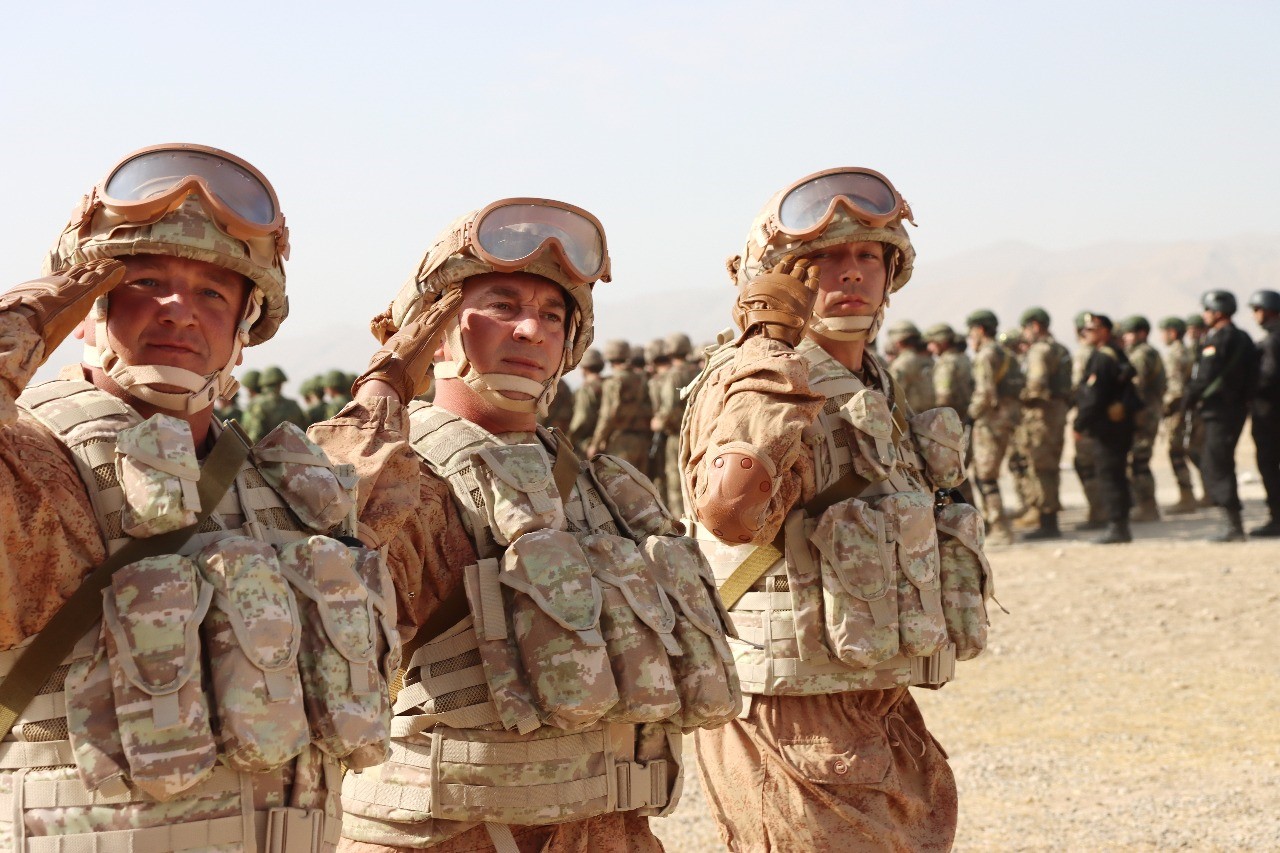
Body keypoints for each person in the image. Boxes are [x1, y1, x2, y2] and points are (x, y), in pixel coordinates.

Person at [311, 197, 738, 852]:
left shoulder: (601, 485)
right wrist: (382, 394)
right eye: (503, 306)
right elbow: (321, 578)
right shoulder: (409, 477)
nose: (532, 329)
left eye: (552, 314)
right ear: (437, 328)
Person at [0, 143, 394, 850]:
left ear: (244, 327)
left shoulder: (281, 488)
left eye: (213, 292)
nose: (180, 311)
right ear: (87, 309)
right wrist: (21, 321)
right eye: (145, 282)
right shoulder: (36, 466)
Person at [681, 167, 993, 851]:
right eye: (823, 258)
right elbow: (731, 514)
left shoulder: (872, 383)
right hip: (789, 709)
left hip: (876, 699)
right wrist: (769, 351)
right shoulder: (751, 377)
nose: (850, 272)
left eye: (867, 256)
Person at [1185, 290, 1258, 541]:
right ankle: (1230, 520)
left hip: (1219, 411)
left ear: (1217, 312)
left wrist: (1188, 399)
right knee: (1216, 460)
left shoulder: (1218, 339)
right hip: (1235, 409)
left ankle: (1233, 525)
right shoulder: (1243, 338)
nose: (1204, 314)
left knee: (1218, 462)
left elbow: (1205, 376)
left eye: (1207, 310)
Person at [1074, 313, 1138, 543]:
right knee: (1116, 474)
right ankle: (1119, 524)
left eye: (1091, 329)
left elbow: (1093, 397)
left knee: (1110, 475)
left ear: (1104, 331)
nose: (1086, 333)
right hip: (1118, 426)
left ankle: (1117, 527)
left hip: (1108, 428)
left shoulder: (1103, 357)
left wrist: (1079, 424)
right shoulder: (1114, 353)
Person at [966, 309, 1023, 545]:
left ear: (980, 329)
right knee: (987, 474)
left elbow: (985, 393)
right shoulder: (1005, 353)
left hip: (990, 421)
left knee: (985, 476)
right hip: (1007, 419)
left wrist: (970, 415)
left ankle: (1000, 528)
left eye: (971, 331)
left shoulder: (986, 355)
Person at [1017, 307, 1073, 540]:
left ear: (1035, 326)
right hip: (1057, 413)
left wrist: (1018, 396)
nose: (1024, 333)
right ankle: (1048, 519)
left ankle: (1048, 523)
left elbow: (1037, 384)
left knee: (1041, 467)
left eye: (1025, 328)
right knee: (1050, 466)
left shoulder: (1039, 350)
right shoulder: (1060, 348)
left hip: (1041, 415)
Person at [1119, 316, 1167, 522]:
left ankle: (1147, 507)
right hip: (1143, 414)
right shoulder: (1143, 352)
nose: (1125, 337)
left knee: (1140, 462)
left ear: (1141, 333)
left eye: (1129, 333)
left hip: (1144, 415)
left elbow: (1135, 384)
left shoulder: (1142, 354)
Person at [651, 331, 700, 516]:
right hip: (698, 435)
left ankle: (682, 524)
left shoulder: (673, 376)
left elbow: (668, 407)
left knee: (676, 485)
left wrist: (659, 422)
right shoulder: (699, 371)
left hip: (677, 438)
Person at [1158, 316, 1202, 513]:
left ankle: (1187, 497)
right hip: (1186, 408)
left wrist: (1163, 408)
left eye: (1163, 332)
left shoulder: (1175, 354)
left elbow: (1175, 389)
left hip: (1177, 411)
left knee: (1175, 452)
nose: (1161, 336)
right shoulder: (1186, 351)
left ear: (1172, 333)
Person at [588, 339, 653, 469]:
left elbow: (607, 415)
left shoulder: (613, 382)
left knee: (616, 480)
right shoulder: (642, 379)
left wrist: (596, 443)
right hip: (642, 441)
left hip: (620, 442)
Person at [1248, 289, 1280, 536]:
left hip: (1269, 413)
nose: (1254, 315)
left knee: (1269, 465)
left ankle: (1277, 519)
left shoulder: (1271, 341)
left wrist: (1244, 387)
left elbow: (1268, 377)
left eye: (1257, 310)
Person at [243, 363, 306, 441]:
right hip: (294, 447)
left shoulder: (257, 404)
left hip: (268, 448)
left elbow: (256, 435)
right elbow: (304, 430)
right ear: (280, 384)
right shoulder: (293, 405)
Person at [885, 320, 936, 415]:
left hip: (912, 417)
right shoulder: (928, 360)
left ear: (899, 341)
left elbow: (891, 393)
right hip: (930, 415)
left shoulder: (902, 362)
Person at [568, 346, 605, 449]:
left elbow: (582, 418)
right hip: (605, 443)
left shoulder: (586, 389)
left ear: (584, 368)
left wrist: (569, 439)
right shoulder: (607, 384)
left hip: (587, 445)